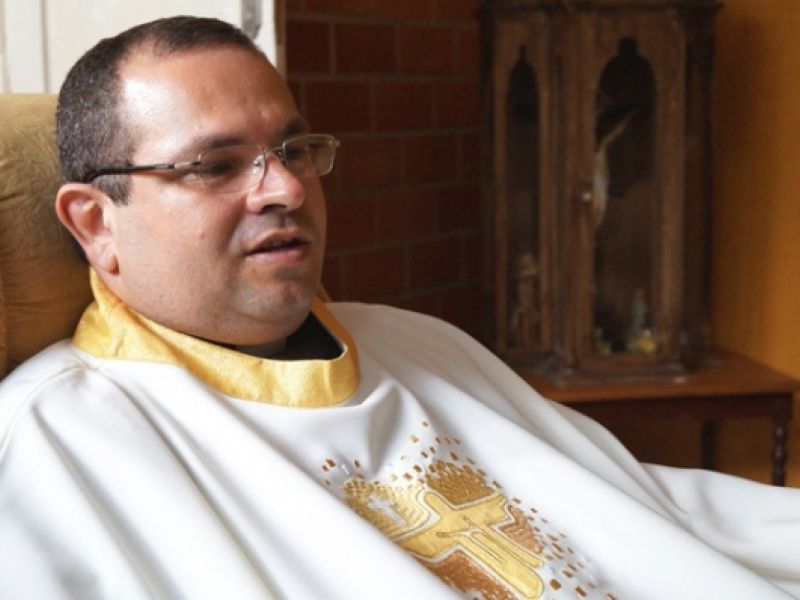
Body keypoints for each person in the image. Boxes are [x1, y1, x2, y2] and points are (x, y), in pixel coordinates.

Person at [0, 16, 798, 600]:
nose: (286, 189)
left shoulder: (416, 340)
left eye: (295, 151)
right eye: (215, 165)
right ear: (96, 223)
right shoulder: (51, 445)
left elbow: (640, 506)